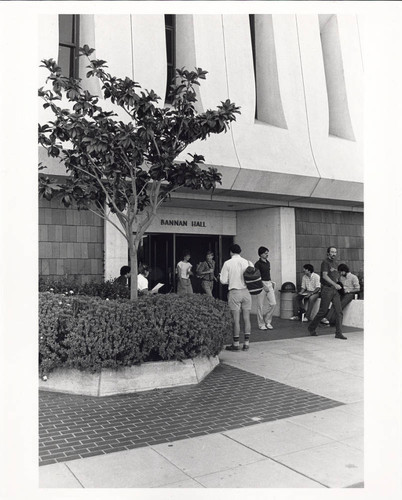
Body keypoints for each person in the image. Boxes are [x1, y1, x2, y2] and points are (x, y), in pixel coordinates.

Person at [307, 246, 347, 339]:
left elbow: (336, 276)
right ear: (328, 253)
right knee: (323, 311)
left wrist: (339, 284)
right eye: (332, 252)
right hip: (327, 289)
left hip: (335, 290)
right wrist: (335, 284)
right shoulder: (325, 262)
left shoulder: (336, 263)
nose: (334, 254)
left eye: (335, 252)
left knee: (339, 311)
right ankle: (311, 327)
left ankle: (338, 333)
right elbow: (325, 276)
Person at [219, 244, 252, 351]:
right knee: (247, 318)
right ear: (240, 251)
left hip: (234, 292)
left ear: (231, 252)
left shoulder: (228, 263)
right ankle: (246, 343)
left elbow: (223, 281)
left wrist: (230, 279)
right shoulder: (248, 262)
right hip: (246, 292)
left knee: (236, 320)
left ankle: (236, 344)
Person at [254, 246, 276, 330]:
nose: (267, 255)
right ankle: (261, 324)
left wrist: (271, 283)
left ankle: (267, 320)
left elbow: (267, 274)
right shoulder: (257, 264)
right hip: (261, 284)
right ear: (261, 254)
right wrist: (263, 286)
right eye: (265, 253)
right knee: (260, 306)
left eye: (267, 253)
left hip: (269, 283)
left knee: (273, 303)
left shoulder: (268, 262)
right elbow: (256, 276)